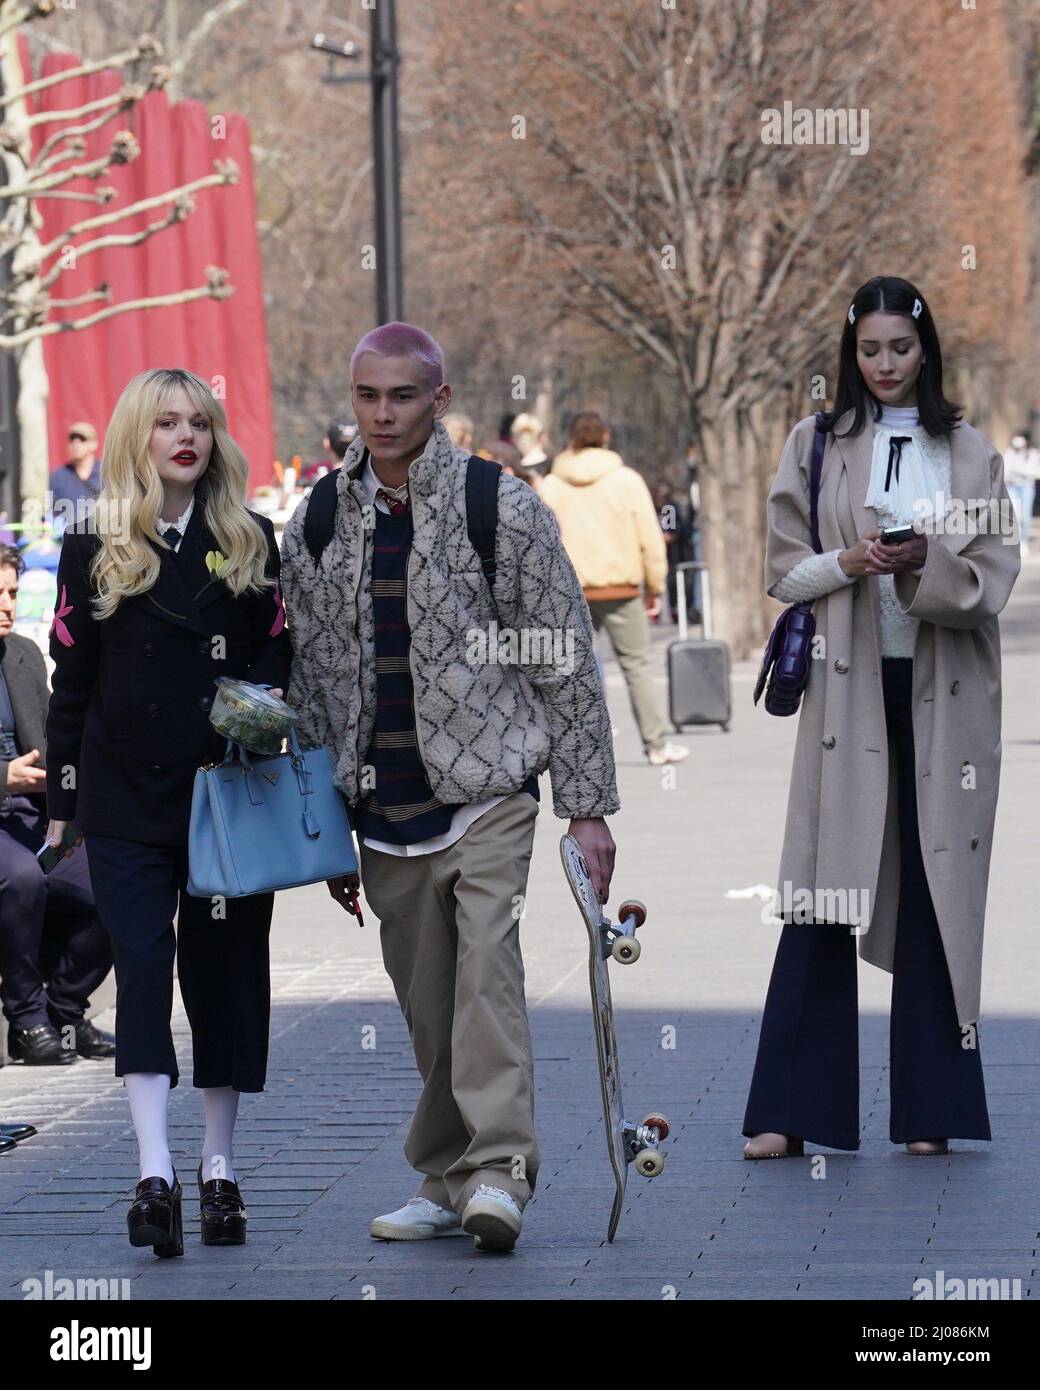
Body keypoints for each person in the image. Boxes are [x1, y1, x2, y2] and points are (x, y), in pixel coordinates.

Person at [280, 321, 619, 1254]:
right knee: (427, 1002)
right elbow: (309, 682)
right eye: (367, 396)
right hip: (383, 806)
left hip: (490, 789)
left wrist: (585, 804)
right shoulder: (316, 519)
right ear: (352, 401)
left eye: (401, 396)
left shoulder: (496, 506)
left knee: (485, 979)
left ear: (440, 399)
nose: (382, 414)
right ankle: (445, 1173)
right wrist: (322, 827)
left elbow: (563, 657)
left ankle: (503, 1171)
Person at [743, 276, 1020, 1161]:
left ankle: (933, 1113)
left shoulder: (970, 452)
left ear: (926, 350)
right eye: (870, 350)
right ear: (849, 354)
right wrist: (854, 560)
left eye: (901, 348)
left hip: (947, 697)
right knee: (822, 889)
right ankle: (791, 1112)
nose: (887, 365)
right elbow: (785, 572)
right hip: (846, 692)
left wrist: (920, 563)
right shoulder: (815, 443)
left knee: (940, 891)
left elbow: (990, 580)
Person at [43, 368, 291, 1257]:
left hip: (224, 798)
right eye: (166, 423)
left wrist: (252, 709)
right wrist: (63, 806)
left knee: (222, 980)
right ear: (135, 439)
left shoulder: (247, 540)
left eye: (199, 422)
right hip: (124, 801)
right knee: (143, 972)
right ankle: (154, 1172)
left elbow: (277, 662)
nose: (185, 437)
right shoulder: (95, 544)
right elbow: (71, 684)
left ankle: (218, 1169)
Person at [0, 543, 115, 1066]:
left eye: (13, 593)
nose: (8, 604)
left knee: (118, 881)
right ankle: (25, 1021)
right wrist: (4, 776)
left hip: (34, 813)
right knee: (22, 878)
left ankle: (63, 1012)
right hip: (6, 817)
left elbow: (55, 735)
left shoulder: (21, 653)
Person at [540, 414, 690, 766]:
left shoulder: (551, 484)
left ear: (570, 439)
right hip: (621, 588)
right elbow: (650, 538)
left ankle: (581, 749)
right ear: (605, 437)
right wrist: (654, 584)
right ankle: (655, 745)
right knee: (637, 665)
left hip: (570, 591)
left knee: (576, 671)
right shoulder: (627, 481)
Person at [49, 422, 103, 521]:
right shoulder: (58, 477)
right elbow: (53, 513)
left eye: (82, 439)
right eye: (72, 439)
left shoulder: (105, 474)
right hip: (68, 533)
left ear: (94, 444)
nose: (76, 444)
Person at [1003, 432, 1039, 557]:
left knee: (1025, 516)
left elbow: (1033, 472)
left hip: (1027, 487)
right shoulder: (1010, 453)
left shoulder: (1032, 454)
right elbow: (1006, 470)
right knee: (1014, 515)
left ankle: (1023, 541)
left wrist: (1018, 470)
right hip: (1013, 486)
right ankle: (1014, 542)